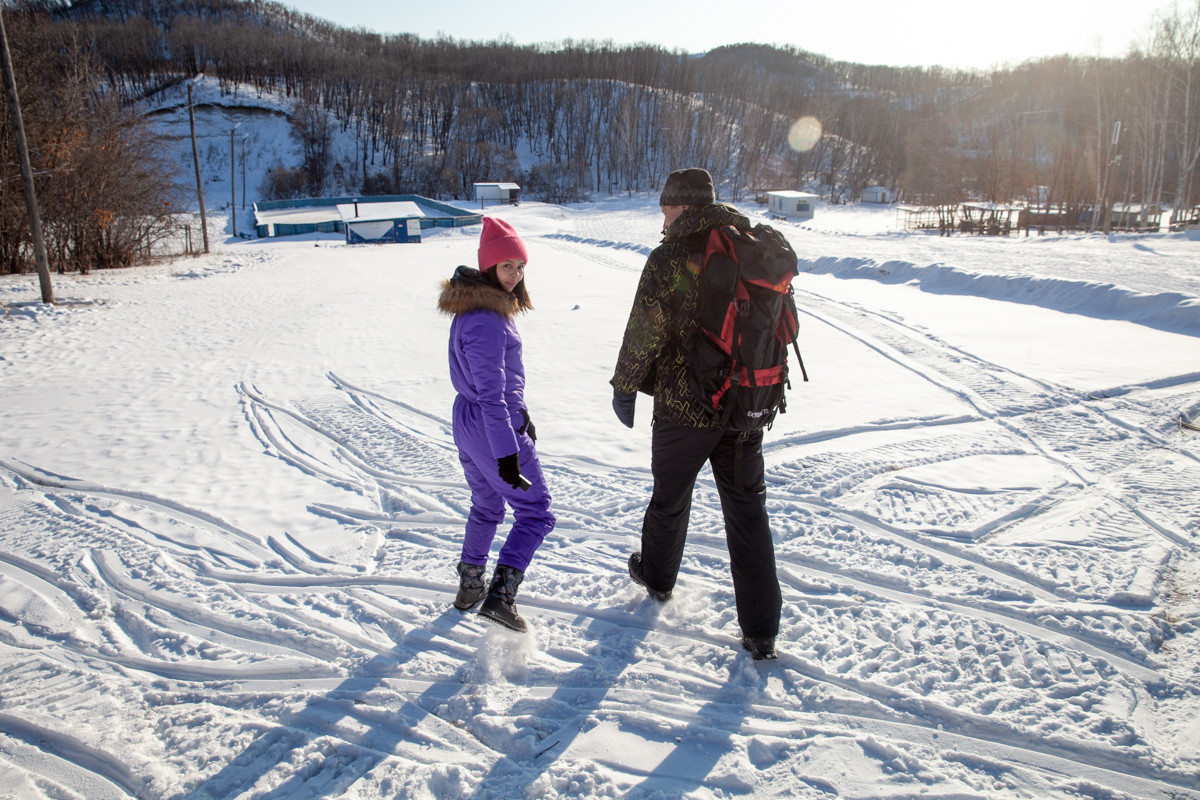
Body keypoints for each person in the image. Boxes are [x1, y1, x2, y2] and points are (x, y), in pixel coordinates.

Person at [610, 168, 783, 660]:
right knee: (748, 513)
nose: (661, 214)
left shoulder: (669, 256)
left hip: (684, 410)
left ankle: (658, 578)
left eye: (666, 206)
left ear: (684, 206)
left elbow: (644, 329)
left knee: (669, 499)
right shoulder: (750, 249)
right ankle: (761, 630)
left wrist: (625, 387)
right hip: (745, 405)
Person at [438, 216, 556, 633]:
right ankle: (500, 597)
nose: (516, 274)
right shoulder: (488, 318)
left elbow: (492, 386)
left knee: (488, 504)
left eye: (521, 266)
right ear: (489, 267)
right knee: (536, 512)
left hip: (471, 423)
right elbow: (492, 395)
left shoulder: (475, 308)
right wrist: (509, 453)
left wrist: (523, 414)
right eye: (507, 266)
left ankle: (470, 585)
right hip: (493, 427)